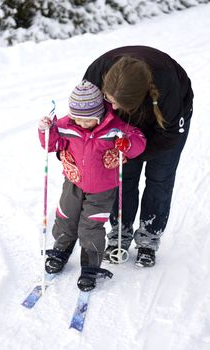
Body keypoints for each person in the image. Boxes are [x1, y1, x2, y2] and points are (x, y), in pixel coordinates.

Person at [83, 46, 194, 267]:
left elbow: (169, 135)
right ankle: (119, 232)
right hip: (122, 125)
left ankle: (149, 237)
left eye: (116, 103)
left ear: (137, 101)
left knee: (160, 177)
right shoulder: (96, 74)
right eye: (108, 99)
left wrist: (134, 153)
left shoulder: (166, 89)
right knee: (123, 176)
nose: (110, 105)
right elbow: (83, 117)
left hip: (165, 125)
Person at [38, 80, 146, 291]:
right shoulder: (67, 125)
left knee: (91, 226)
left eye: (87, 120)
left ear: (98, 114)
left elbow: (138, 142)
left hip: (102, 189)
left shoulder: (115, 128)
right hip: (73, 183)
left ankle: (90, 265)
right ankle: (61, 250)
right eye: (76, 118)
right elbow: (51, 144)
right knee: (65, 217)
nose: (81, 123)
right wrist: (46, 130)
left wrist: (127, 143)